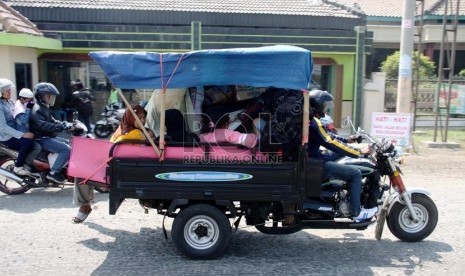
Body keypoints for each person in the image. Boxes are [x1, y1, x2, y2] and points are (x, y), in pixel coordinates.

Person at [73, 104, 152, 224]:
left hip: (119, 169)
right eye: (139, 118)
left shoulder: (137, 133)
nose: (142, 121)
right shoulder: (124, 129)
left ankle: (84, 206)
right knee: (81, 171)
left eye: (143, 118)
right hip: (114, 165)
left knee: (80, 173)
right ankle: (85, 205)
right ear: (130, 117)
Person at [307, 90, 377, 223]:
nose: (326, 109)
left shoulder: (314, 121)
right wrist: (359, 152)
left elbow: (330, 136)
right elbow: (331, 143)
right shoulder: (314, 123)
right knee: (354, 174)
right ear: (317, 105)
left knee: (341, 152)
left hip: (314, 157)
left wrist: (348, 140)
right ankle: (356, 212)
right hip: (315, 163)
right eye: (325, 106)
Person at [29, 82, 72, 184]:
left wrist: (67, 124)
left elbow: (53, 121)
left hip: (47, 136)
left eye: (50, 96)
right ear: (40, 96)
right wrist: (60, 127)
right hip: (41, 138)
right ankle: (53, 173)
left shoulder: (44, 107)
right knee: (66, 149)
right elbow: (43, 125)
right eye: (47, 96)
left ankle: (61, 167)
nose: (50, 98)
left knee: (68, 142)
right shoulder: (37, 109)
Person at [0, 79, 35, 176]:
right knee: (28, 142)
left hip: (15, 132)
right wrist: (23, 134)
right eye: (7, 91)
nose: (9, 92)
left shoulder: (10, 102)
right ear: (1, 92)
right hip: (6, 136)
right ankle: (18, 166)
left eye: (10, 90)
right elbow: (3, 127)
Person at [13, 88, 42, 167]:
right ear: (22, 99)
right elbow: (24, 121)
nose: (30, 102)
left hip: (27, 132)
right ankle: (26, 163)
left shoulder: (22, 105)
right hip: (22, 134)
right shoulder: (19, 108)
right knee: (37, 147)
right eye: (28, 100)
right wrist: (29, 109)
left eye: (31, 100)